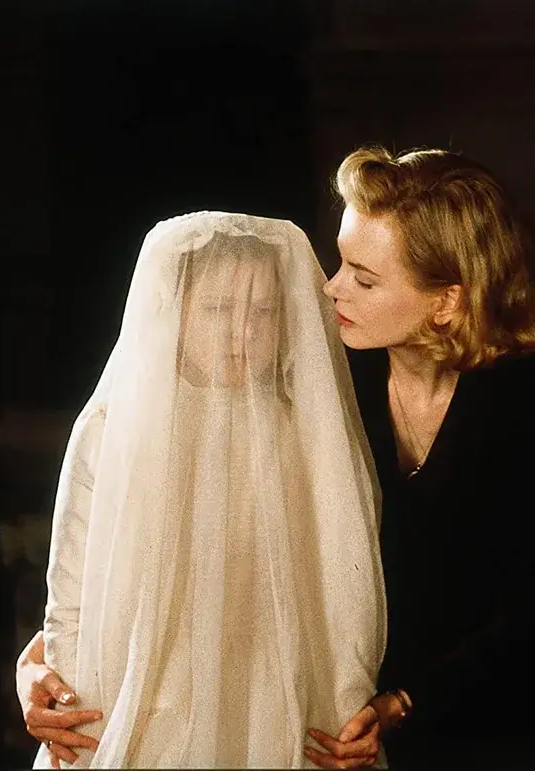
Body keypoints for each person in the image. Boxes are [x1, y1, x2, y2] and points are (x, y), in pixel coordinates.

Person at [18, 147, 535, 768]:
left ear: (446, 303)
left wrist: (402, 706)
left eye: (364, 278)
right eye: (340, 262)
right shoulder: (316, 378)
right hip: (317, 723)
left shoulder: (530, 411)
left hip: (475, 728)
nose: (329, 287)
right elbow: (192, 560)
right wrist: (41, 664)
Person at [27, 211, 387, 768]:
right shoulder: (113, 427)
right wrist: (80, 710)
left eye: (263, 312)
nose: (242, 331)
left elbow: (344, 579)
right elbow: (71, 587)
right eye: (218, 309)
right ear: (174, 309)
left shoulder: (301, 429)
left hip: (272, 697)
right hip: (144, 700)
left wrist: (345, 697)